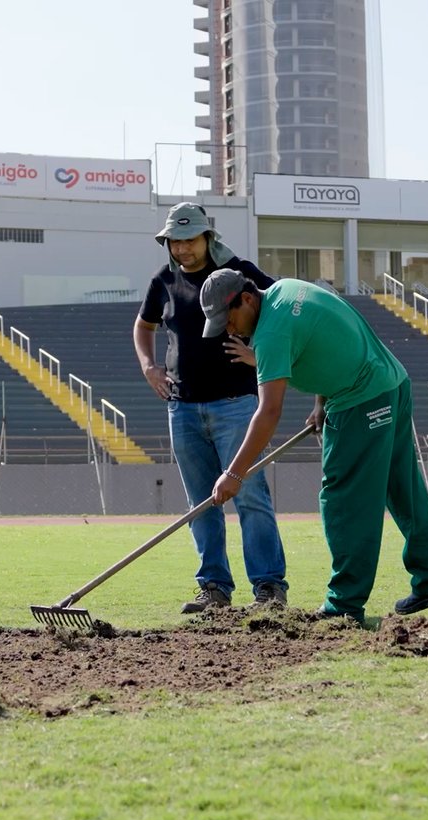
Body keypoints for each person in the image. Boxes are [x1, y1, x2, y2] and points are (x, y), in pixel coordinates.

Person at [198, 271, 428, 627]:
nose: (230, 331)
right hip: (392, 382)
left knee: (343, 500)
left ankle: (344, 604)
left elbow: (268, 412)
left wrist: (234, 473)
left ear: (247, 299)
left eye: (229, 320)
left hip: (360, 399)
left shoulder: (270, 333)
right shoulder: (287, 290)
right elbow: (328, 335)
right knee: (404, 490)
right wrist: (321, 401)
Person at [133, 202, 289, 614]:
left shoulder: (239, 271)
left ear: (207, 237)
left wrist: (259, 355)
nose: (182, 249)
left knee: (250, 493)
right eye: (174, 241)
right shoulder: (162, 280)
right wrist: (149, 366)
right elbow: (143, 325)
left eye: (189, 240)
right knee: (200, 500)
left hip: (236, 404)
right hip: (182, 408)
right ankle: (214, 588)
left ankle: (270, 587)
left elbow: (279, 312)